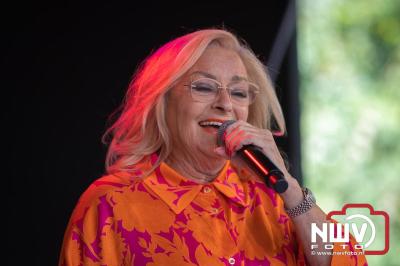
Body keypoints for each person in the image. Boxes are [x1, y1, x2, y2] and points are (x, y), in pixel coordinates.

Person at [59, 28, 367, 266]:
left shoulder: (272, 197)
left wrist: (293, 193)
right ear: (162, 102)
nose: (225, 105)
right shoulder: (111, 204)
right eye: (204, 87)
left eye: (239, 93)